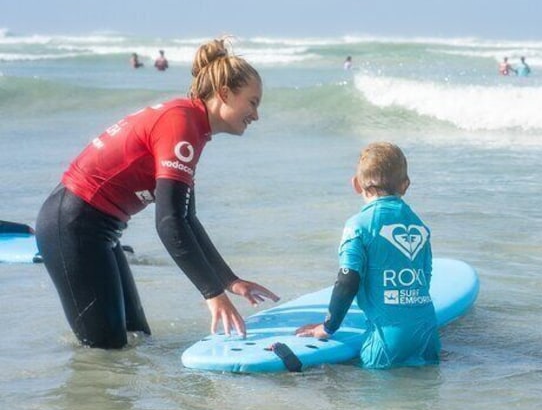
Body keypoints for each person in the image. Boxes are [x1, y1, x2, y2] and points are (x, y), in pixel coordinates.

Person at [36, 38, 280, 349]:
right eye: (253, 102)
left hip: (98, 231)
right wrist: (212, 294)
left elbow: (186, 219)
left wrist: (228, 280)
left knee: (136, 337)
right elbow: (169, 223)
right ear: (224, 94)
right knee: (106, 351)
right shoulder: (181, 125)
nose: (256, 115)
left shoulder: (191, 125)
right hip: (72, 226)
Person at [295, 142, 440, 369]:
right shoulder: (420, 227)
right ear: (406, 185)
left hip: (386, 340)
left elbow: (347, 280)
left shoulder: (358, 226)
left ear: (356, 184)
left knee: (373, 401)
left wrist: (327, 328)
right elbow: (425, 277)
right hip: (428, 334)